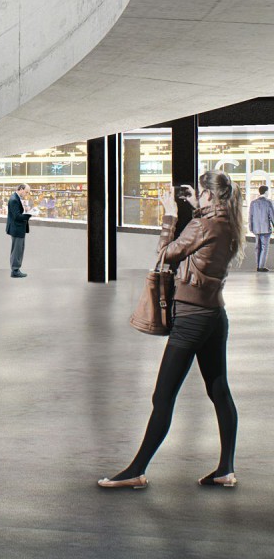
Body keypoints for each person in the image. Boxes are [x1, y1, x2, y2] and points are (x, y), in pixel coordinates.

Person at [99, 171, 243, 490]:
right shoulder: (229, 224)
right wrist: (195, 209)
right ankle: (226, 469)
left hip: (191, 318)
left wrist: (169, 215)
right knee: (219, 389)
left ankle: (136, 470)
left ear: (208, 195)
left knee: (162, 395)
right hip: (214, 316)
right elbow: (203, 243)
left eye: (201, 193)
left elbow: (166, 254)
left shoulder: (202, 225)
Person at [6, 184, 32, 278]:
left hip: (18, 228)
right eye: (26, 192)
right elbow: (17, 216)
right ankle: (15, 270)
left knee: (19, 249)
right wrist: (29, 214)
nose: (26, 194)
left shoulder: (17, 198)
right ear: (21, 189)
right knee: (17, 250)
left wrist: (26, 210)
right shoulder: (14, 200)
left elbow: (18, 213)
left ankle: (16, 269)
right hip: (16, 229)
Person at [248, 185, 273, 271]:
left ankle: (258, 265)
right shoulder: (268, 202)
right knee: (264, 247)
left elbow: (250, 216)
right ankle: (261, 266)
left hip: (256, 229)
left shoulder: (253, 203)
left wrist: (251, 227)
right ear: (266, 192)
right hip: (266, 228)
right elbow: (272, 216)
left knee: (257, 247)